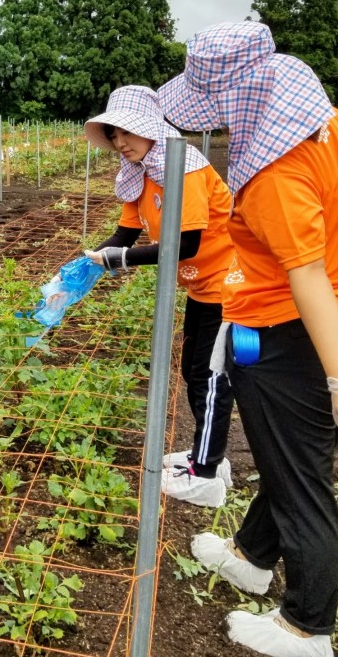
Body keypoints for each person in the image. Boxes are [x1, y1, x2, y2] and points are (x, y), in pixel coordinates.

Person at [157, 21, 338, 657]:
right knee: (286, 461)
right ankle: (251, 557)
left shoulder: (275, 176)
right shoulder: (327, 122)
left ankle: (306, 626)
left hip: (292, 339)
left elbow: (307, 273)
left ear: (236, 100)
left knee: (301, 484)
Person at [82, 85, 236, 508]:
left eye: (127, 132)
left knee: (209, 375)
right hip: (203, 285)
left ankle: (206, 473)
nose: (120, 143)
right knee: (195, 368)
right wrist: (93, 258)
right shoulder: (141, 174)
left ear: (151, 127)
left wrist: (122, 261)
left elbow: (182, 245)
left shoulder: (183, 169)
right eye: (113, 136)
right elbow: (125, 233)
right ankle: (210, 457)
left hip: (230, 283)